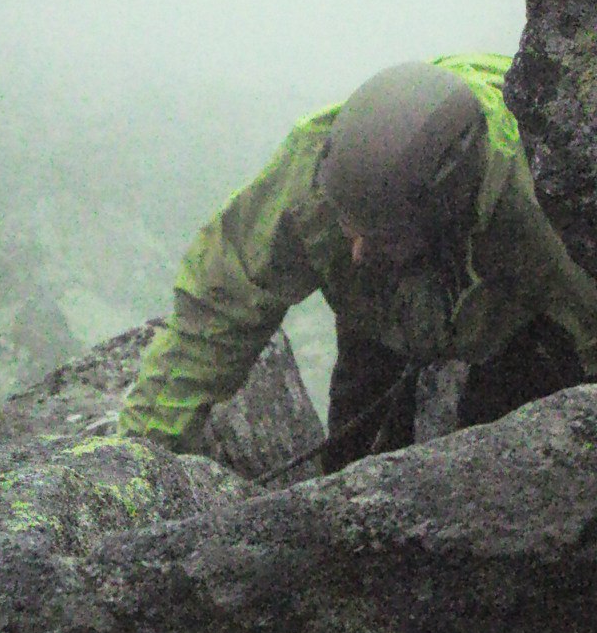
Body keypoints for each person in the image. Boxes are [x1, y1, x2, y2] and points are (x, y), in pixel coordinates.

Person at [117, 53, 597, 472]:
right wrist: (135, 460)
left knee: (501, 453)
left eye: (382, 238)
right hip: (382, 309)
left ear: (445, 218)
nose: (358, 252)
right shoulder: (308, 182)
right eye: (349, 228)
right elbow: (216, 312)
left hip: (513, 317)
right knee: (356, 448)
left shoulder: (542, 211)